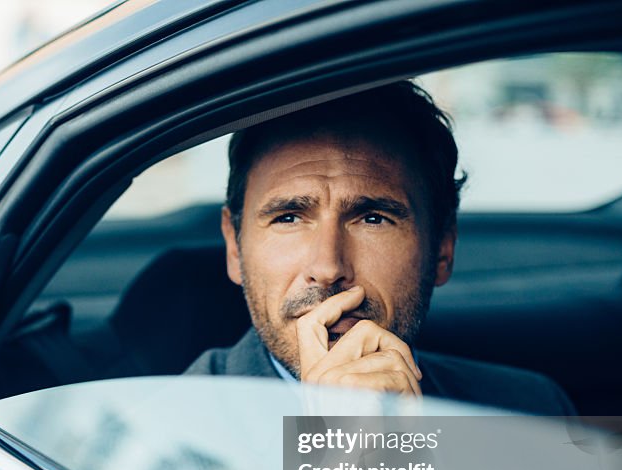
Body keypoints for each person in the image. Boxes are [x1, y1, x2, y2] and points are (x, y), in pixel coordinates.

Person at [186, 81, 575, 416]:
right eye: (288, 218)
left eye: (373, 218)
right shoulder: (162, 429)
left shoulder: (529, 410)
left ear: (442, 248)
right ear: (235, 247)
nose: (328, 267)